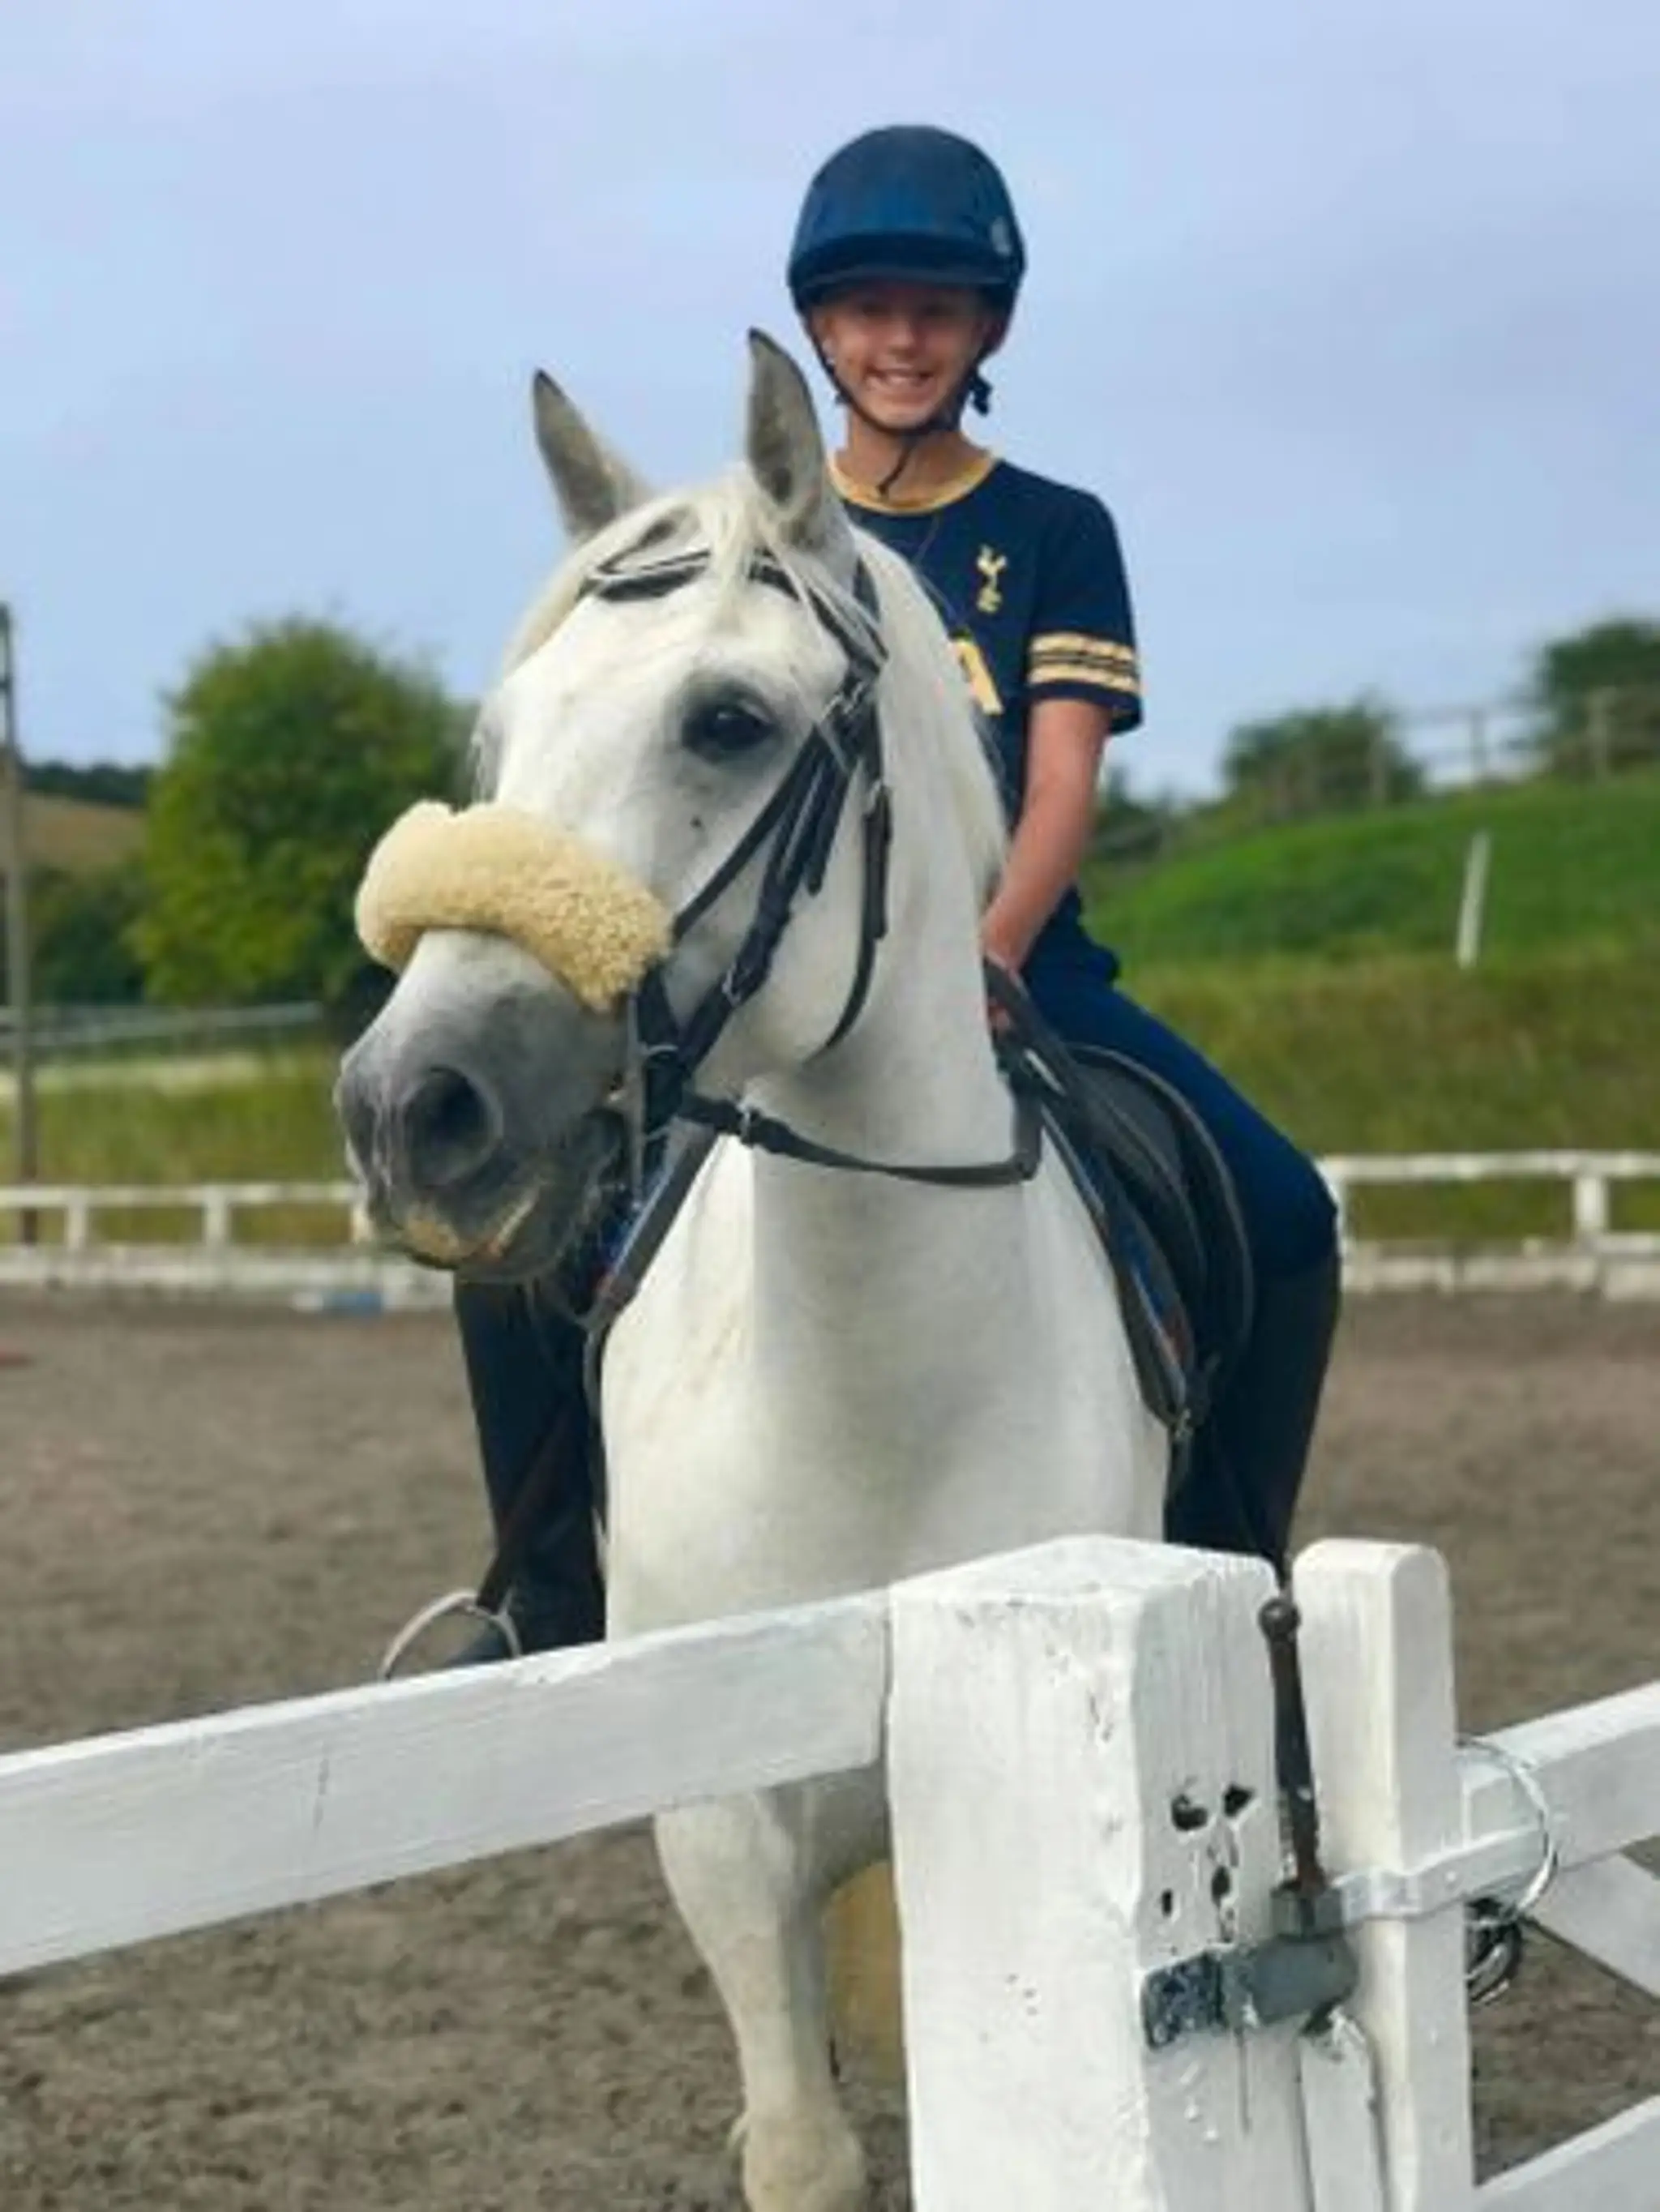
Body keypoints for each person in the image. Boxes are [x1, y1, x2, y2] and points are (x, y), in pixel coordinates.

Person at [443, 125, 1340, 1662]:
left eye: (936, 308)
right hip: (784, 977)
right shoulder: (753, 553)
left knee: (1283, 1211)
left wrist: (986, 953)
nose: (900, 338)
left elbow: (1057, 785)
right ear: (821, 330)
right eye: (867, 309)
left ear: (989, 326)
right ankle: (543, 1590)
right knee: (525, 1240)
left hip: (1021, 973)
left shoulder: (1054, 533)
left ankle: (1235, 1583)